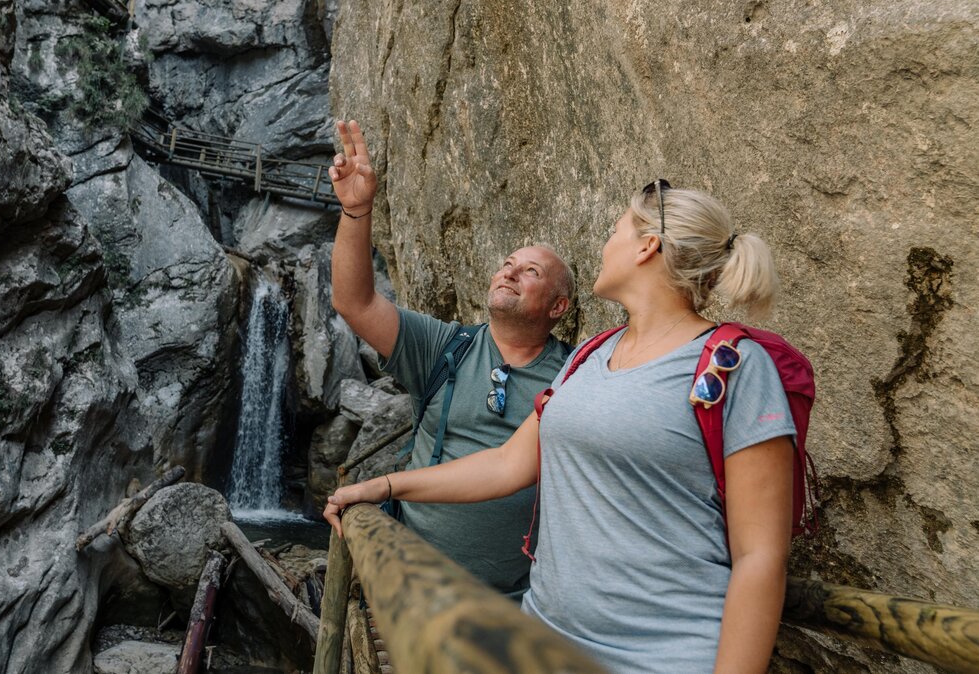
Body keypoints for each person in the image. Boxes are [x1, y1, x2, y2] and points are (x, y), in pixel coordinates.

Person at [325, 179, 796, 674]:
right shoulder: (591, 358)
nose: (604, 244)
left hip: (664, 655)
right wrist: (383, 485)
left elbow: (760, 558)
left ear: (647, 247)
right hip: (542, 645)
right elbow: (508, 464)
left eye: (615, 231)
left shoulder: (736, 367)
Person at [327, 119, 573, 598]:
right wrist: (357, 212)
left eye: (530, 271)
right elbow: (353, 303)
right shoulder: (447, 346)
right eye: (507, 264)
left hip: (509, 602)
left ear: (557, 307)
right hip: (409, 583)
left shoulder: (573, 375)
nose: (510, 273)